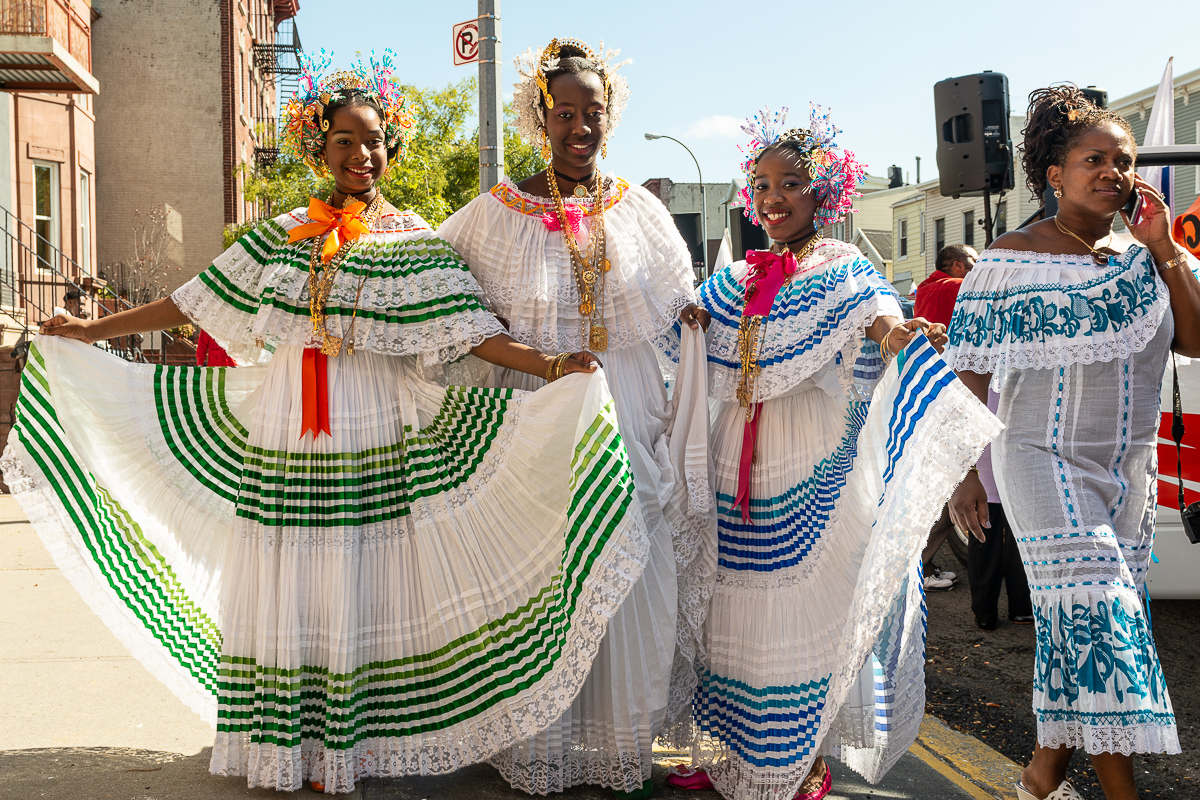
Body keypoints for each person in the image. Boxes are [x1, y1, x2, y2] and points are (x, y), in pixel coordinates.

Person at [0, 51, 653, 795]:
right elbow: (189, 300)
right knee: (295, 574)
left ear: (390, 146)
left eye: (373, 139)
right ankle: (291, 746)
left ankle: (354, 746)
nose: (361, 153)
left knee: (361, 577)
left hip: (373, 422)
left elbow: (467, 331)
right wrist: (89, 331)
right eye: (344, 140)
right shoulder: (283, 233)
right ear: (321, 148)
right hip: (288, 426)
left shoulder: (413, 240)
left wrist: (549, 367)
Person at [669, 106, 1000, 800]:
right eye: (761, 185)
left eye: (789, 183)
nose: (773, 197)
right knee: (733, 607)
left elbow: (875, 312)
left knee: (808, 609)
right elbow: (688, 326)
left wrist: (892, 333)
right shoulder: (734, 279)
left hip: (808, 460)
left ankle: (803, 760)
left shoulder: (841, 266)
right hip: (739, 464)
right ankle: (731, 751)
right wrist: (692, 320)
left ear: (825, 192)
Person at [437, 37, 715, 799]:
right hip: (542, 417)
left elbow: (681, 304)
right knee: (546, 575)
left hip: (625, 414)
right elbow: (436, 287)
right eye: (565, 113)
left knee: (629, 570)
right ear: (541, 117)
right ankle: (540, 743)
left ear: (610, 116)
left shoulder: (644, 212)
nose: (579, 126)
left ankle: (615, 742)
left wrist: (694, 319)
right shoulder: (495, 214)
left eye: (593, 112)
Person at [946, 85, 1199, 800]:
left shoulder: (1145, 256)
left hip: (1128, 473)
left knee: (1076, 622)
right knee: (1105, 613)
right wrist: (969, 472)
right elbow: (966, 371)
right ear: (1055, 174)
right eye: (1094, 159)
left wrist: (1166, 251)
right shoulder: (1010, 259)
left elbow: (1197, 340)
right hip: (1039, 461)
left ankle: (1045, 769)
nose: (1113, 171)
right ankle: (1124, 792)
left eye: (1124, 159)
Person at [913, 244, 978, 589]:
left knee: (940, 489)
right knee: (947, 489)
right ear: (957, 265)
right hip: (954, 395)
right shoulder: (955, 286)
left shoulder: (925, 288)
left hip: (933, 393)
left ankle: (920, 565)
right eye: (975, 263)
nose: (979, 268)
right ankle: (915, 567)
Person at [970, 395, 1034, 630]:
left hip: (990, 440)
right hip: (1016, 443)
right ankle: (1022, 608)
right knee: (1018, 538)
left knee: (984, 538)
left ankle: (985, 613)